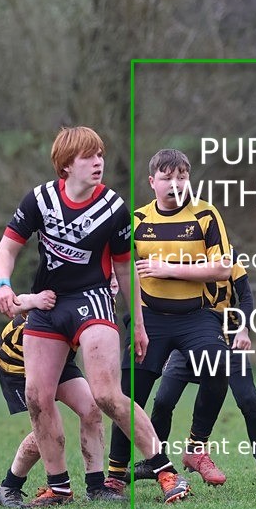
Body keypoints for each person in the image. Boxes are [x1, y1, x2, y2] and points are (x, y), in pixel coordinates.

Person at [0, 126, 190, 506]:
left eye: (100, 154)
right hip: (48, 307)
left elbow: (125, 269)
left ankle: (166, 473)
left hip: (93, 303)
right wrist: (3, 284)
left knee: (105, 396)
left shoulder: (113, 208)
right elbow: (6, 249)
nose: (98, 162)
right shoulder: (39, 200)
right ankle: (60, 487)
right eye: (88, 156)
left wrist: (140, 324)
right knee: (37, 397)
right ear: (66, 165)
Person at [106, 148, 232, 489]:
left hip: (197, 316)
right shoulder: (136, 221)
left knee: (219, 365)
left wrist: (168, 269)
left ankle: (196, 449)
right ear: (152, 182)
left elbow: (223, 267)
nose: (175, 184)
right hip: (149, 319)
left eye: (182, 177)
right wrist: (116, 279)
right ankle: (116, 475)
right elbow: (118, 267)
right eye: (167, 178)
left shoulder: (205, 215)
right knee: (131, 394)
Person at [134, 262, 256, 482]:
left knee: (249, 399)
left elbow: (245, 296)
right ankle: (153, 463)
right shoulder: (181, 252)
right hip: (190, 335)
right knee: (163, 401)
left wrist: (243, 330)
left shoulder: (227, 257)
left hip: (227, 337)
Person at [0, 289, 126, 508]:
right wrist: (35, 300)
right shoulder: (71, 282)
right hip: (18, 361)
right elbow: (16, 305)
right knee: (47, 426)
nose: (112, 282)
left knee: (91, 409)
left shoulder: (102, 301)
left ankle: (96, 487)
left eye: (114, 277)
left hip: (60, 358)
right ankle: (10, 486)